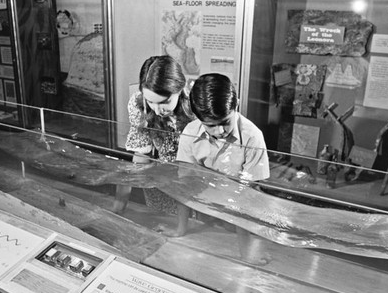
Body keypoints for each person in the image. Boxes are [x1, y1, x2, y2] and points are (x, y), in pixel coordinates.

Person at [176, 73, 271, 263]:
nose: (219, 131)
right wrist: (180, 230)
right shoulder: (190, 133)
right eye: (210, 125)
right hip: (205, 214)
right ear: (197, 116)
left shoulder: (252, 137)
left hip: (241, 216)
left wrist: (247, 254)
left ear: (236, 104)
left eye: (225, 122)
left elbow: (249, 196)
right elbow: (184, 187)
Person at [112, 55, 195, 233]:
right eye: (151, 101)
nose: (157, 110)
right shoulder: (138, 103)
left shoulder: (196, 106)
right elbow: (141, 157)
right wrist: (118, 211)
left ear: (179, 90)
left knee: (197, 231)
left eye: (164, 102)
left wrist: (181, 230)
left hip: (195, 182)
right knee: (162, 222)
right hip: (161, 181)